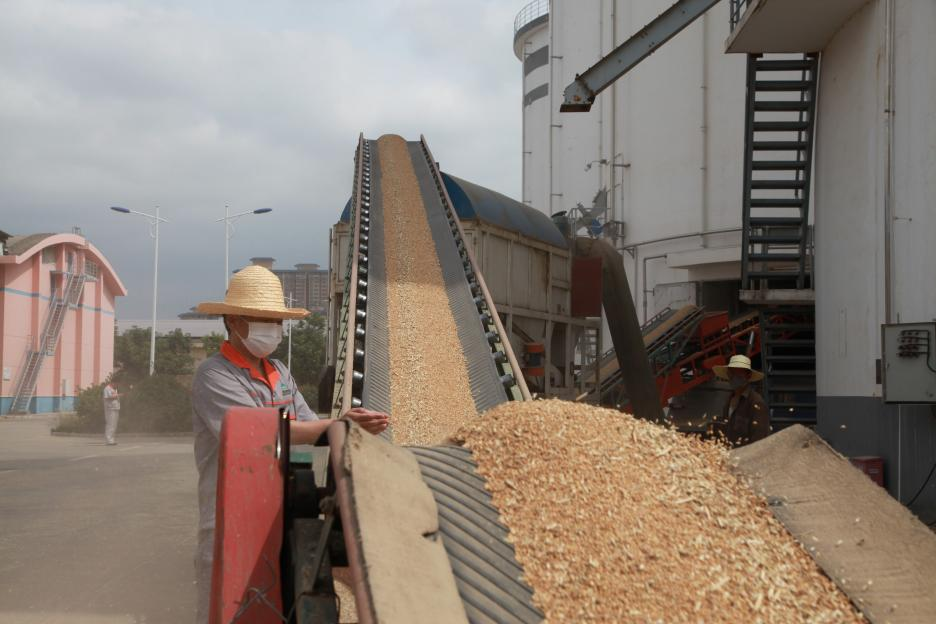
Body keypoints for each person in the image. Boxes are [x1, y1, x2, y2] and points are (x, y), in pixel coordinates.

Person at [191, 265, 389, 623]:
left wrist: (346, 426)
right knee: (230, 610)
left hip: (283, 513)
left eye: (278, 321)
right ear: (234, 321)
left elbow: (307, 424)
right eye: (264, 319)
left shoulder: (279, 371)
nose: (275, 329)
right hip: (231, 517)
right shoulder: (215, 375)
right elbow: (255, 433)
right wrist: (336, 424)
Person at [710, 354, 769, 447]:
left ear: (748, 376)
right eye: (732, 373)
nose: (734, 377)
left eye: (738, 374)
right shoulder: (729, 399)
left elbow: (759, 440)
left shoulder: (756, 403)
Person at [102, 380, 120, 446]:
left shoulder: (114, 389)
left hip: (115, 408)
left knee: (114, 425)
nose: (117, 385)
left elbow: (114, 396)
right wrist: (117, 395)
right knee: (110, 424)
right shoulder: (107, 389)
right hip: (110, 409)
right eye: (116, 383)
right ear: (113, 383)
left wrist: (117, 395)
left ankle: (112, 439)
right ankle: (109, 440)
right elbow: (107, 397)